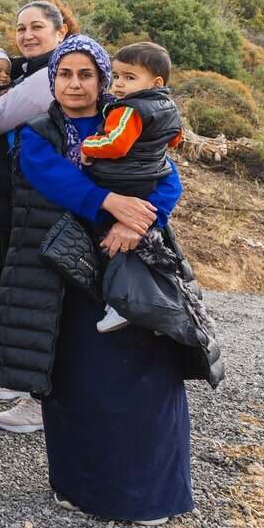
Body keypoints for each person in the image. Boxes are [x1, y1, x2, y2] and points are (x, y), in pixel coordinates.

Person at [0, 36, 201, 525]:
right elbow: (53, 179)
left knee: (145, 384)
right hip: (65, 280)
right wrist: (110, 204)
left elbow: (167, 180)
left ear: (103, 78)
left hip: (133, 270)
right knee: (74, 383)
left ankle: (148, 498)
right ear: (53, 79)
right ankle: (78, 487)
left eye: (86, 74)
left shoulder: (129, 122)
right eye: (65, 74)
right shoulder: (37, 131)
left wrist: (135, 222)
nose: (75, 84)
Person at [0, 0, 70, 433]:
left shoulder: (55, 74)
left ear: (60, 32)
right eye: (20, 27)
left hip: (42, 202)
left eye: (37, 26)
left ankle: (41, 399)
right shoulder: (30, 70)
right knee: (13, 288)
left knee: (37, 297)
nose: (27, 34)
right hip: (16, 199)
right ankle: (17, 379)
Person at [79, 41, 184, 333]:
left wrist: (89, 145)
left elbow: (116, 143)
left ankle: (123, 303)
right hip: (151, 175)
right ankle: (160, 306)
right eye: (116, 76)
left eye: (129, 77)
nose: (120, 84)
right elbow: (174, 139)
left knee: (113, 245)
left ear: (156, 81)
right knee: (141, 249)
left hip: (124, 181)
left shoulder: (128, 110)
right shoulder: (168, 106)